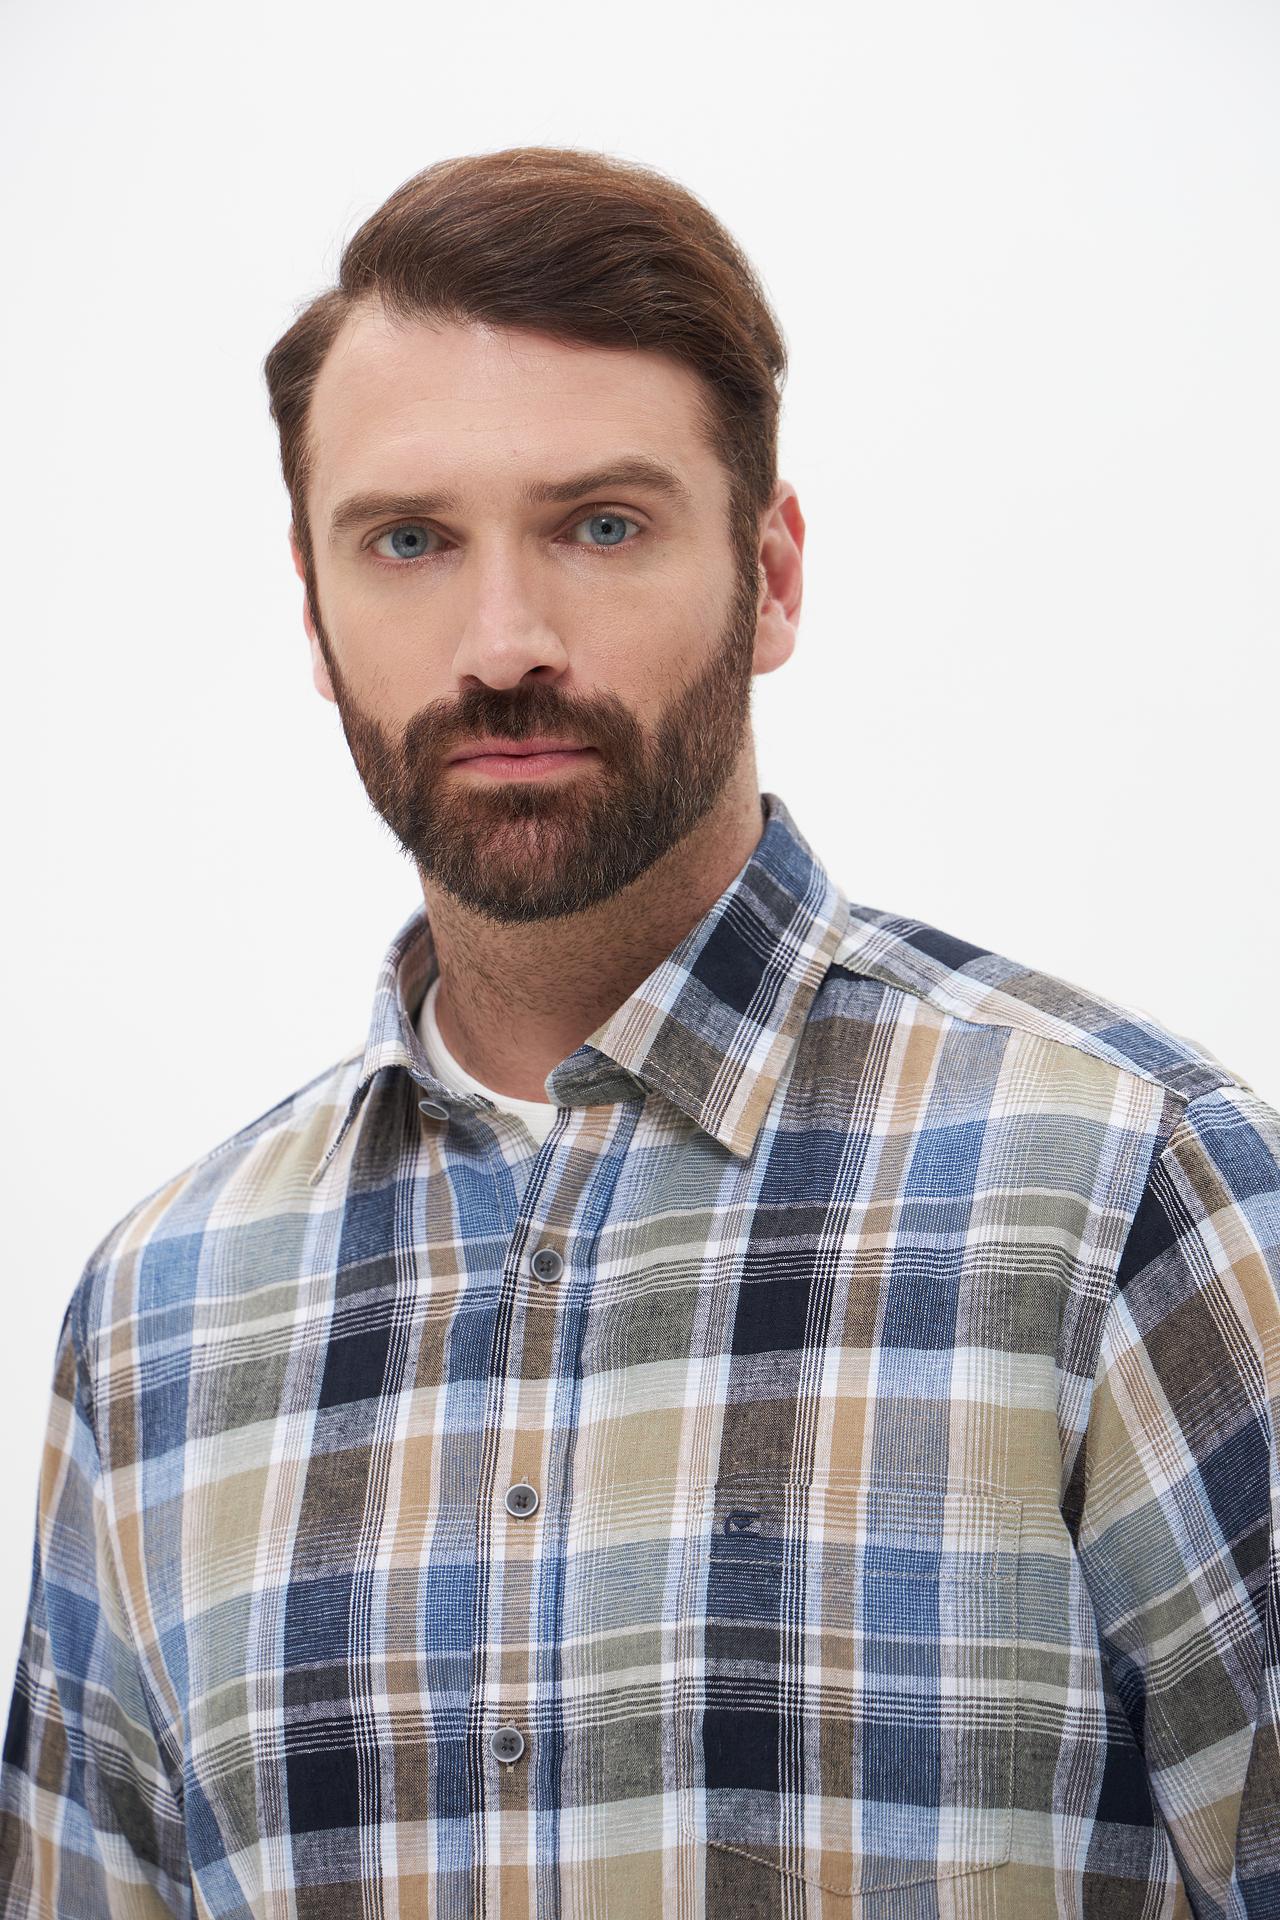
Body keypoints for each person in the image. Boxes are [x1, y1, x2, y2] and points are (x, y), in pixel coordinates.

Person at [1, 146, 1277, 1920]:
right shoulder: (160, 1315)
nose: (502, 643)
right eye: (408, 541)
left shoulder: (1124, 1191)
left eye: (601, 525)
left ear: (772, 573)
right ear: (313, 607)